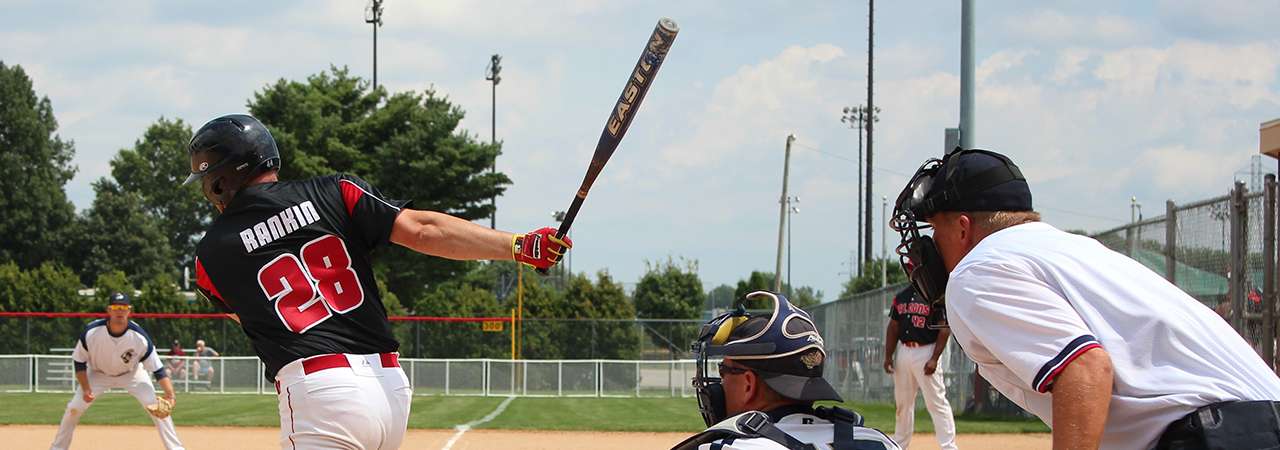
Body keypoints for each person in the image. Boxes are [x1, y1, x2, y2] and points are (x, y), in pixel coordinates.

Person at [183, 114, 569, 449]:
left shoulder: (209, 257)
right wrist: (520, 245)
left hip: (321, 393)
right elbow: (422, 229)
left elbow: (252, 320)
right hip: (389, 388)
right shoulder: (334, 190)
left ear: (219, 181)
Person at [890, 148, 1280, 449]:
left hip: (1222, 436)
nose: (926, 247)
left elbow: (1085, 367)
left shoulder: (977, 271)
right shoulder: (1072, 251)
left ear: (962, 228)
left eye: (933, 228)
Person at [673, 291, 899, 450]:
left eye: (724, 371)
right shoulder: (880, 442)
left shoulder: (730, 447)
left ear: (749, 384)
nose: (720, 383)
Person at [50, 293, 184, 450]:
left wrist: (170, 394)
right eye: (116, 307)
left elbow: (158, 369)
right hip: (97, 374)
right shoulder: (92, 332)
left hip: (132, 374)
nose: (120, 311)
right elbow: (79, 362)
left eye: (123, 307)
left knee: (156, 407)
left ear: (129, 310)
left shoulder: (139, 337)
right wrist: (86, 389)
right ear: (109, 310)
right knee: (74, 408)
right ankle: (57, 448)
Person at [883, 285, 958, 449]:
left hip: (926, 350)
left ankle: (948, 446)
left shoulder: (933, 297)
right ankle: (900, 444)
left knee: (936, 401)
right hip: (904, 351)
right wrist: (888, 355)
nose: (912, 272)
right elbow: (893, 327)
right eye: (909, 269)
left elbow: (944, 329)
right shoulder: (901, 296)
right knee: (903, 402)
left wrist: (934, 358)